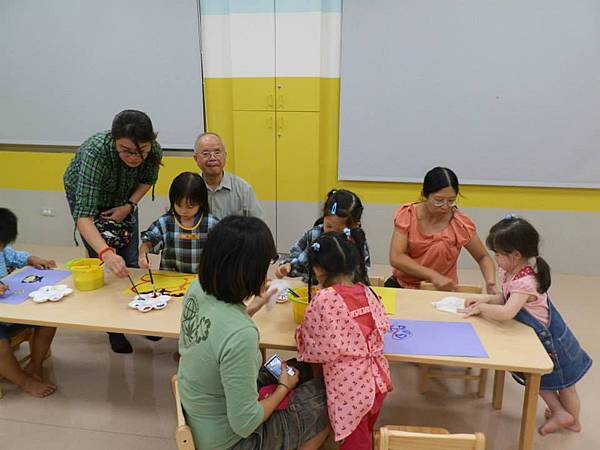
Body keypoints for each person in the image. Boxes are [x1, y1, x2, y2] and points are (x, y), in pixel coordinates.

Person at [178, 216, 329, 450]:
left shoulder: (197, 289)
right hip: (229, 442)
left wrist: (253, 306)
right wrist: (284, 388)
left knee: (297, 367)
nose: (266, 273)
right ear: (247, 270)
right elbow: (245, 424)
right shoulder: (242, 335)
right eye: (265, 265)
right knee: (329, 396)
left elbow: (217, 331)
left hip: (200, 411)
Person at [460, 215, 592, 436]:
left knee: (564, 384)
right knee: (543, 379)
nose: (495, 258)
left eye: (497, 254)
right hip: (536, 338)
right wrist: (484, 300)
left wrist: (482, 309)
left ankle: (571, 420)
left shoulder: (525, 283)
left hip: (552, 341)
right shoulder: (509, 271)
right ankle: (563, 414)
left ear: (515, 256)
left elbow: (507, 312)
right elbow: (504, 297)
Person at [63, 109, 163, 353]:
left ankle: (141, 313)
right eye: (126, 150)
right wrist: (106, 252)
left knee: (131, 260)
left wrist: (129, 206)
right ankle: (114, 330)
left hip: (125, 199)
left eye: (142, 150)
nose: (135, 157)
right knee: (107, 267)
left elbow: (147, 180)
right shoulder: (95, 152)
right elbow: (84, 217)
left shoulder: (153, 149)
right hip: (90, 203)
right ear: (114, 139)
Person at [296, 232, 392, 449]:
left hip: (350, 388)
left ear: (319, 269)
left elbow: (315, 349)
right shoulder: (367, 291)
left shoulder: (324, 299)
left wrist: (299, 334)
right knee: (365, 429)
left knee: (355, 441)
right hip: (378, 378)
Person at [388, 167, 496, 292]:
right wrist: (433, 276)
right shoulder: (407, 215)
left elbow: (483, 257)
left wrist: (491, 282)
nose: (445, 206)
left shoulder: (460, 224)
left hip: (441, 291)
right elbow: (396, 257)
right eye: (438, 200)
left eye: (451, 201)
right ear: (424, 195)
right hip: (403, 285)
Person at [0, 208, 57, 397]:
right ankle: (24, 381)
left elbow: (15, 256)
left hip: (9, 310)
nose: (1, 249)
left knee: (48, 319)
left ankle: (35, 364)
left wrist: (33, 259)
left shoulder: (2, 250)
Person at [276, 189, 370, 282]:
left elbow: (360, 274)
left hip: (344, 289)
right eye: (328, 226)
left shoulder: (356, 240)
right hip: (314, 288)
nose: (331, 233)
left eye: (339, 231)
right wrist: (288, 266)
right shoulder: (314, 234)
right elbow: (294, 257)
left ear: (355, 226)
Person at [139, 172, 218, 274]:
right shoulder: (165, 223)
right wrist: (143, 255)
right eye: (178, 205)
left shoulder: (212, 224)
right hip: (170, 279)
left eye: (189, 207)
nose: (183, 211)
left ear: (201, 202)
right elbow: (148, 242)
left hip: (201, 279)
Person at [193, 132, 264, 220]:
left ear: (225, 156)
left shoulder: (243, 189)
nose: (212, 158)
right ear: (195, 158)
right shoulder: (190, 188)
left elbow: (258, 224)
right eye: (206, 153)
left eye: (217, 152)